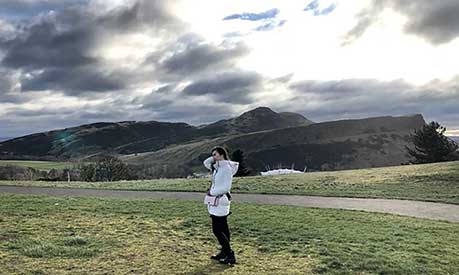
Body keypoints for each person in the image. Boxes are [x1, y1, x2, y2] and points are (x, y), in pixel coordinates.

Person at [203, 146, 239, 265]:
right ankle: (224, 252)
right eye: (212, 154)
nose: (213, 156)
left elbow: (226, 187)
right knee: (223, 227)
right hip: (216, 201)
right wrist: (215, 158)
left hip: (220, 200)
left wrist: (211, 193)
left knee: (217, 229)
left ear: (222, 154)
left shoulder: (226, 169)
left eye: (215, 154)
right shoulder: (217, 167)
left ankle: (229, 254)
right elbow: (206, 162)